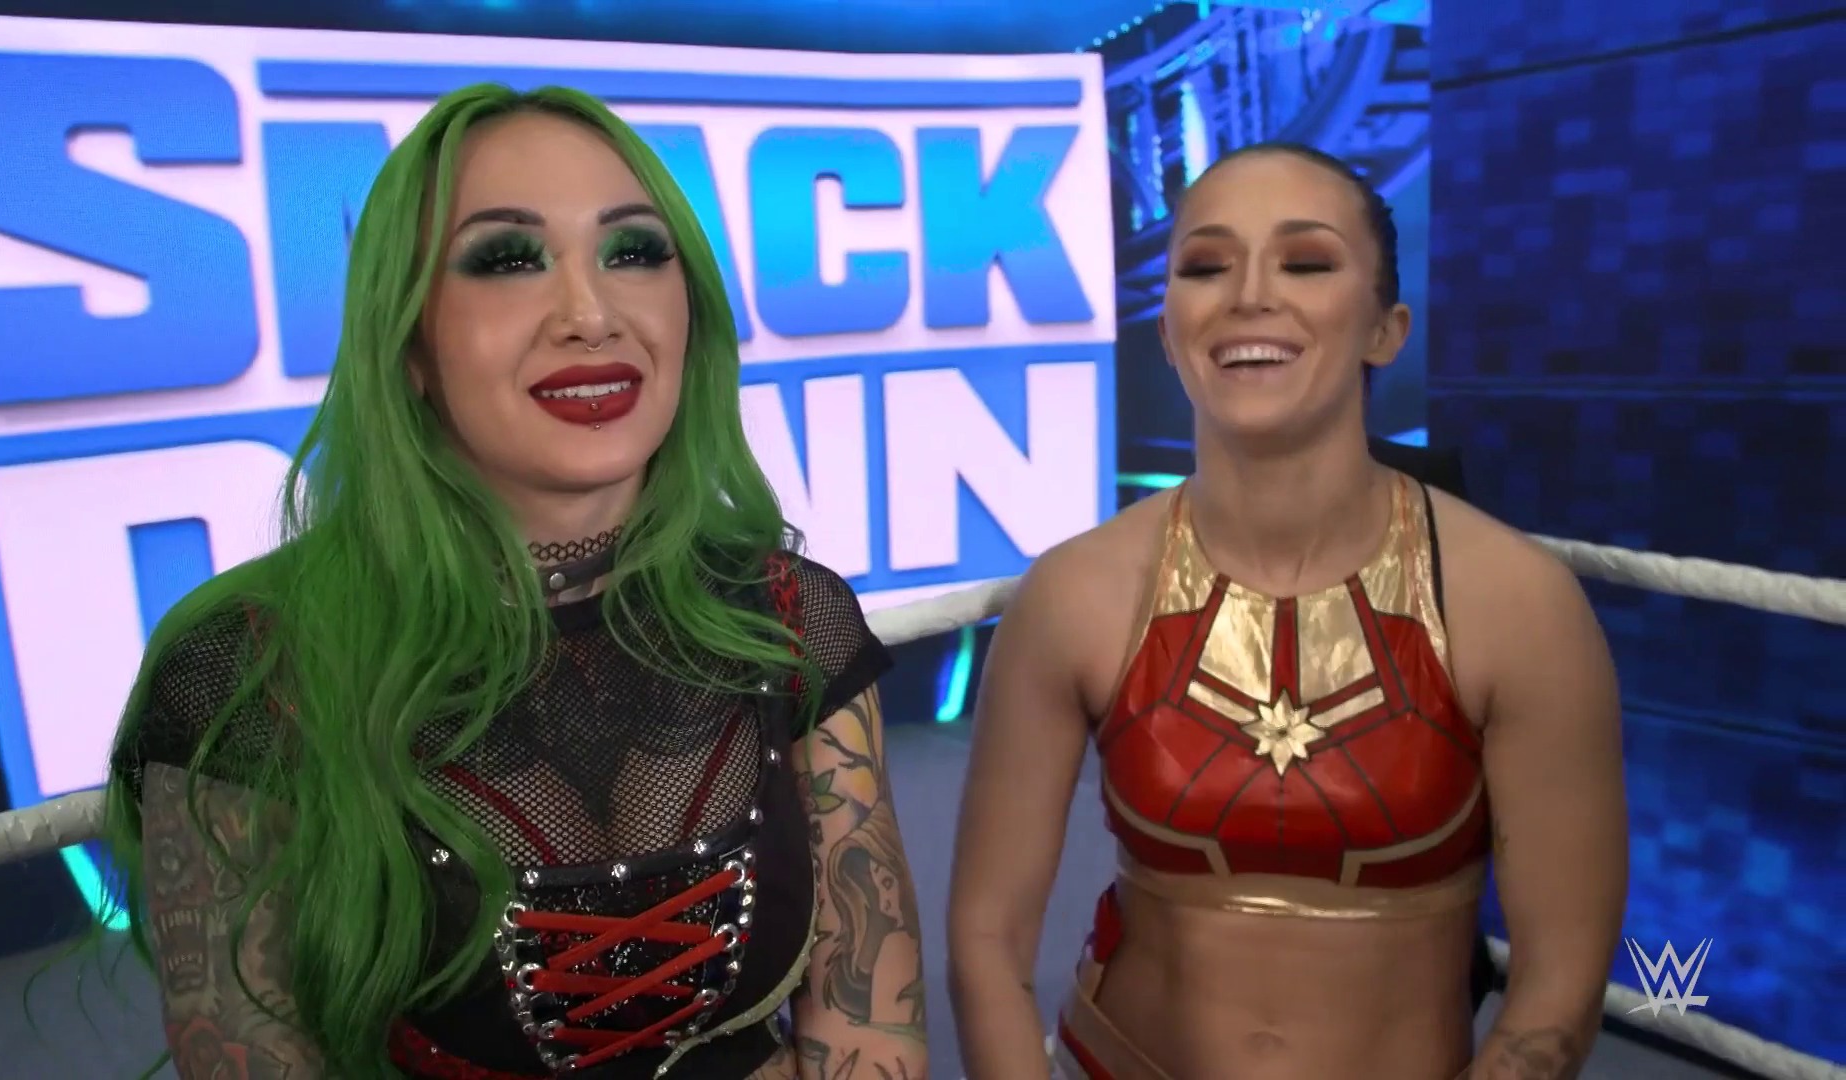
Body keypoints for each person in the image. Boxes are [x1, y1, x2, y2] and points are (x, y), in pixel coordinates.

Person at [101, 84, 929, 1080]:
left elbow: (869, 1025)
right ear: (409, 341)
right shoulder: (249, 668)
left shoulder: (793, 615)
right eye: (507, 259)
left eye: (633, 251)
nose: (591, 315)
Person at [947, 142, 1627, 1080]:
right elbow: (986, 941)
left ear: (1386, 329)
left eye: (1305, 262)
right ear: (1168, 329)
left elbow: (1561, 983)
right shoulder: (1072, 595)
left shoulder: (1518, 605)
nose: (1249, 296)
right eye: (1205, 267)